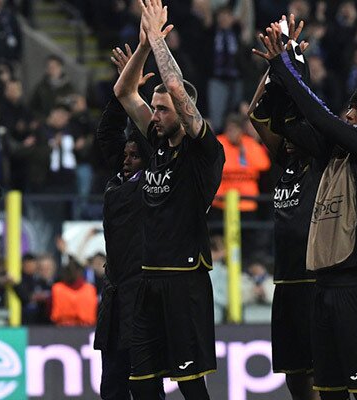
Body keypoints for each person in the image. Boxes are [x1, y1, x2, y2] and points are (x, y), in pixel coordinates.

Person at [254, 19, 357, 400]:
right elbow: (290, 122)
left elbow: (318, 118)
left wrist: (288, 70)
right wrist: (281, 68)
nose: (349, 115)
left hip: (356, 285)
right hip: (323, 286)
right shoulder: (336, 151)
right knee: (329, 392)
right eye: (349, 107)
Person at [114, 1, 225, 398]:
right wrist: (144, 45)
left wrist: (160, 38)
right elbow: (124, 91)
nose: (155, 115)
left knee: (191, 387)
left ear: (183, 111)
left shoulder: (204, 151)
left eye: (162, 109)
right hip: (149, 277)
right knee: (141, 384)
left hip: (185, 280)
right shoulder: (157, 141)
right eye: (154, 108)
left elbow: (176, 88)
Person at [247, 16, 323, 400]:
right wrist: (275, 68)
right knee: (295, 377)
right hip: (285, 282)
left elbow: (311, 113)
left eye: (295, 133)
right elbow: (256, 115)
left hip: (316, 281)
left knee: (320, 377)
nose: (287, 140)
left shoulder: (324, 159)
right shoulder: (288, 159)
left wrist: (290, 67)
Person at [94, 42, 165, 400]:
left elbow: (149, 140)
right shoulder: (117, 181)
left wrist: (131, 91)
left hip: (143, 292)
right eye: (126, 155)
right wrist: (118, 89)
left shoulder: (153, 178)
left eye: (135, 155)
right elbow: (107, 135)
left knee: (147, 385)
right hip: (115, 292)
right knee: (112, 387)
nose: (127, 159)